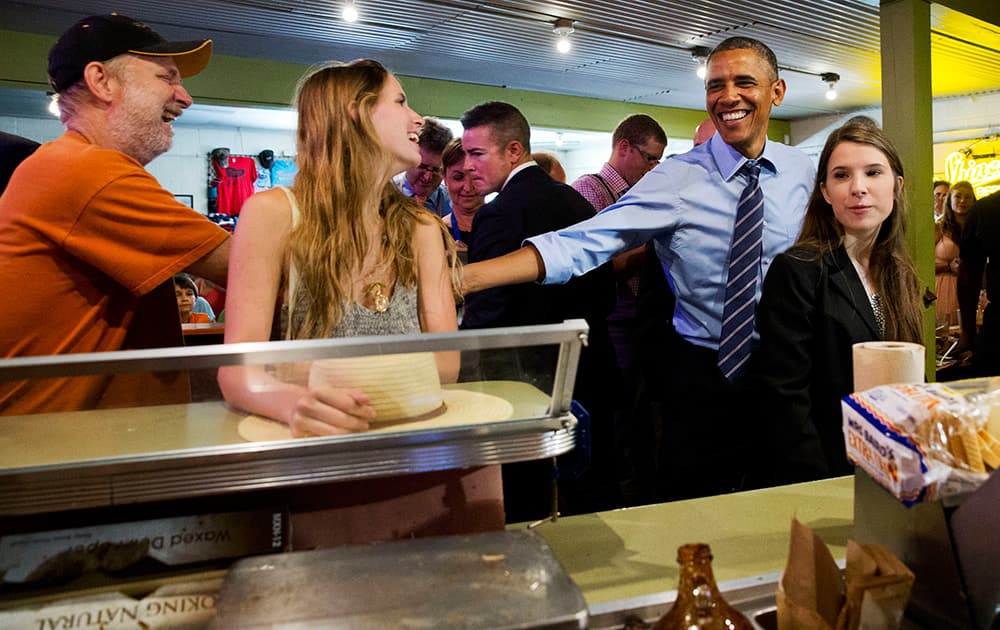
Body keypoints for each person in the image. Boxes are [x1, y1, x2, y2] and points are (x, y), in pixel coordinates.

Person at [462, 37, 816, 500]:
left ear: (777, 91)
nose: (728, 96)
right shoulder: (675, 179)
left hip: (787, 372)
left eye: (744, 82)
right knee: (696, 507)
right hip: (701, 378)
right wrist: (464, 278)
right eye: (715, 86)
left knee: (788, 500)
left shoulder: (805, 173)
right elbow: (583, 243)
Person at [217, 59, 501, 545]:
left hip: (422, 457)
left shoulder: (421, 229)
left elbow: (446, 364)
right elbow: (236, 369)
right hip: (321, 461)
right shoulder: (272, 215)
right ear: (354, 112)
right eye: (400, 101)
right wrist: (292, 404)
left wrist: (304, 374)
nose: (418, 120)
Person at [0, 14, 229, 416]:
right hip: (59, 458)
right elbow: (251, 263)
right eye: (166, 77)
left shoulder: (67, 166)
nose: (184, 96)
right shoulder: (86, 172)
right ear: (102, 81)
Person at [459, 100, 621, 520]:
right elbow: (606, 289)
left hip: (526, 382)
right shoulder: (574, 200)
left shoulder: (499, 213)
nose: (469, 165)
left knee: (528, 507)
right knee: (589, 505)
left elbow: (486, 315)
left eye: (477, 153)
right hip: (590, 367)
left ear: (514, 151)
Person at [750, 119, 923, 483]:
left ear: (897, 185)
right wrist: (824, 485)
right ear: (825, 192)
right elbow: (786, 399)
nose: (858, 188)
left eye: (873, 172)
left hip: (892, 470)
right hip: (828, 473)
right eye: (841, 175)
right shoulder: (798, 270)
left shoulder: (900, 272)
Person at [957, 189, 1000, 376]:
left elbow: (968, 275)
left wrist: (968, 332)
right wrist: (967, 331)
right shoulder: (986, 210)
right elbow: (968, 275)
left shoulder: (986, 209)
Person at [392, 116, 453, 217]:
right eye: (422, 167)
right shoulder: (383, 194)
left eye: (436, 170)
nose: (427, 177)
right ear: (408, 159)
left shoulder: (452, 203)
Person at [935, 180, 975, 330]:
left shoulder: (977, 229)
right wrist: (947, 266)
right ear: (949, 200)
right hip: (944, 288)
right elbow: (921, 263)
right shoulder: (938, 228)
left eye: (967, 197)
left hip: (970, 285)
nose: (963, 201)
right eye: (958, 197)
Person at [440, 139, 483, 256]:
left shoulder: (504, 226)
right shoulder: (435, 232)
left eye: (475, 177)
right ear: (444, 177)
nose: (468, 188)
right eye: (458, 177)